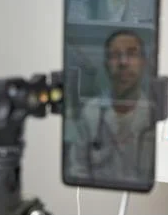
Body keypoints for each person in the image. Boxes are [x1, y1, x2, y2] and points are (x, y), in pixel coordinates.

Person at [65, 29, 155, 185]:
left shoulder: (153, 116)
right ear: (106, 64)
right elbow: (77, 169)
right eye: (115, 55)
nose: (123, 62)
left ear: (144, 62)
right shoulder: (91, 112)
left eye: (132, 54)